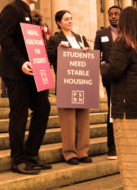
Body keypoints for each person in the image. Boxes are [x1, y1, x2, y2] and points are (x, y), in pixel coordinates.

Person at [101, 6, 137, 189]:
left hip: (129, 111)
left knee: (131, 164)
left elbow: (113, 72)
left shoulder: (123, 42)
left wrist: (102, 65)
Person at [0, 0, 51, 175]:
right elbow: (6, 40)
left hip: (34, 71)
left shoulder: (28, 12)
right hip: (16, 72)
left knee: (43, 108)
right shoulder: (11, 9)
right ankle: (18, 160)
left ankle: (32, 153)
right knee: (19, 115)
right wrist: (21, 62)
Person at [46, 10, 92, 165]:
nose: (70, 21)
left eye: (71, 19)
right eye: (66, 19)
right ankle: (70, 152)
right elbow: (48, 57)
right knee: (68, 121)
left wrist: (87, 52)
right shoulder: (55, 39)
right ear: (59, 22)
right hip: (66, 83)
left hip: (83, 83)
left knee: (83, 119)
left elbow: (90, 59)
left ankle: (82, 151)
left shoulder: (81, 38)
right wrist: (58, 47)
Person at [94, 5, 121, 160]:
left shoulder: (127, 33)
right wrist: (102, 66)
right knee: (112, 111)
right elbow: (96, 54)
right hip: (110, 79)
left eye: (116, 14)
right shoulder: (101, 33)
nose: (113, 16)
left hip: (126, 79)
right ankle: (112, 147)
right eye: (110, 14)